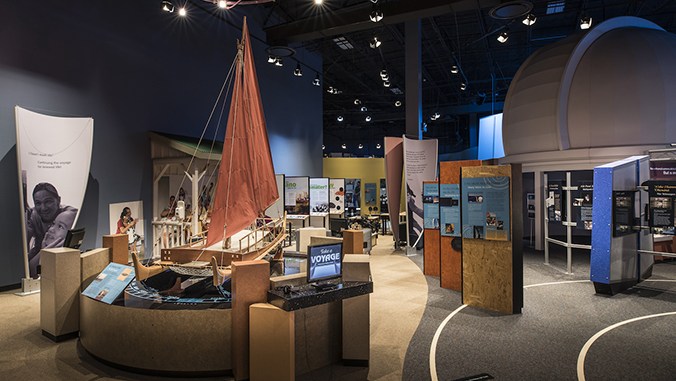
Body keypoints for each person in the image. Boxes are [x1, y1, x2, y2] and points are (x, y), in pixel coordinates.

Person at [25, 182, 77, 278]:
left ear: (58, 200)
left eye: (48, 201)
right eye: (38, 203)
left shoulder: (69, 214)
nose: (43, 208)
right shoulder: (31, 215)